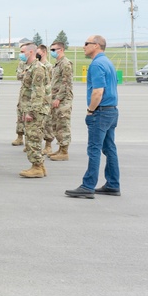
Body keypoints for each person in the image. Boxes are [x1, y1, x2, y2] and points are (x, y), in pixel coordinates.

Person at [66, 35, 120, 199]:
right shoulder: (107, 62)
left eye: (86, 44)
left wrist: (90, 110)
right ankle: (113, 184)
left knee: (94, 149)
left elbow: (98, 91)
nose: (83, 47)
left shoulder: (97, 64)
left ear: (96, 45)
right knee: (109, 148)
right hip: (111, 110)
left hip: (100, 112)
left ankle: (88, 185)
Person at [17, 42, 50, 178]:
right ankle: (40, 166)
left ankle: (36, 167)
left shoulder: (37, 68)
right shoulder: (29, 67)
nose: (21, 54)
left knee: (33, 138)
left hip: (35, 110)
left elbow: (38, 91)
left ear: (31, 52)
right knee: (32, 137)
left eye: (23, 51)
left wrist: (32, 112)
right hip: (29, 107)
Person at [46, 40, 74, 161]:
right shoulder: (57, 64)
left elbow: (66, 83)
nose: (51, 52)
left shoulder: (65, 63)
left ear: (61, 50)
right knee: (56, 124)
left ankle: (64, 151)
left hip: (63, 99)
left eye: (53, 50)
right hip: (55, 98)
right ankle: (60, 148)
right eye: (50, 50)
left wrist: (58, 98)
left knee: (63, 124)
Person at [12, 54, 28, 146]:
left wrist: (24, 73)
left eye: (23, 52)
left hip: (33, 94)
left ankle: (30, 140)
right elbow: (18, 76)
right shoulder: (22, 63)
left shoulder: (37, 64)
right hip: (23, 93)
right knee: (20, 115)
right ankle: (19, 136)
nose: (21, 54)